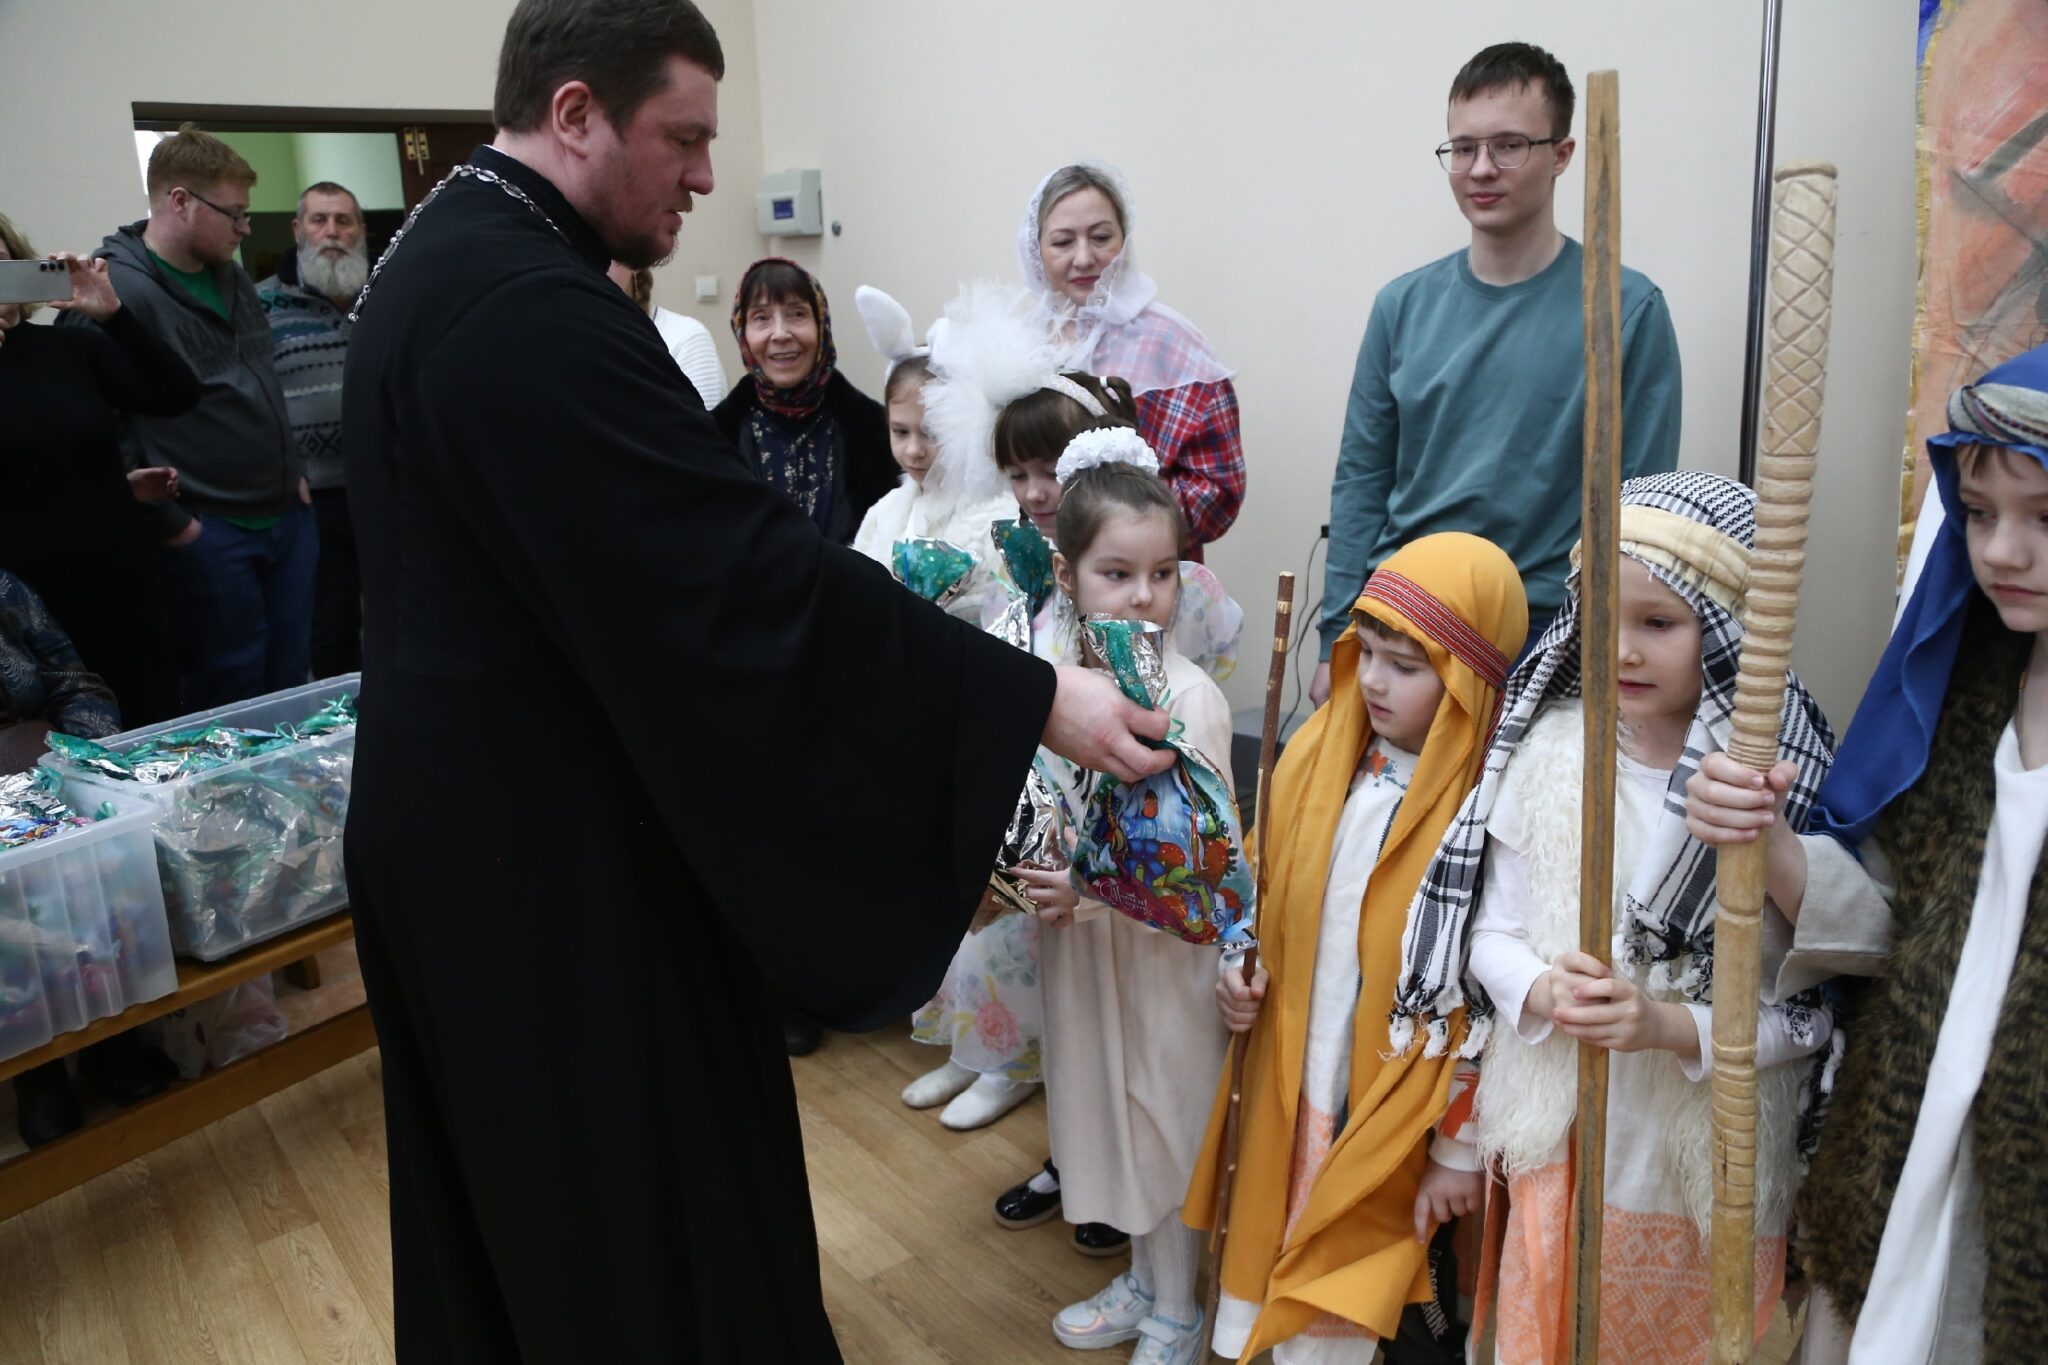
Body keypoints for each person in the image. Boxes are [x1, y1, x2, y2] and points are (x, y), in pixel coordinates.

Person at [338, 2, 1171, 1357]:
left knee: (530, 1207)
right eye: (683, 137)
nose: (706, 175)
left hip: (471, 823)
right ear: (575, 114)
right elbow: (738, 579)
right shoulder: (526, 310)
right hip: (542, 859)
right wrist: (1027, 700)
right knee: (627, 1210)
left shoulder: (444, 256)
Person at [1391, 472, 1834, 1363]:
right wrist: (1544, 988)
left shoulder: (1774, 795)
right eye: (1605, 617)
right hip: (1565, 1138)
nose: (1623, 649)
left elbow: (1810, 1014)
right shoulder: (1552, 759)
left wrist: (1666, 1025)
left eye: (1659, 623)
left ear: (1726, 631)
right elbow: (1490, 936)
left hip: (1699, 1169)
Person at [1685, 345, 2048, 1363]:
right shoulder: (1964, 693)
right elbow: (1888, 919)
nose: (2000, 550)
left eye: (2041, 517)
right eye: (1977, 513)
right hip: (1912, 1147)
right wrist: (1762, 838)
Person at [1182, 532, 1528, 1364]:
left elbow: (1486, 1004)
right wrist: (1237, 969)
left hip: (1388, 1104)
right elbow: (1259, 886)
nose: (1372, 679)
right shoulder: (1315, 756)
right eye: (1365, 651)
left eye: (1404, 665)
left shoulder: (1488, 816)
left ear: (1467, 680)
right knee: (1275, 1238)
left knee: (1356, 1282)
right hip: (1294, 1072)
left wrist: (1457, 1146)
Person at [1310, 42, 1682, 705]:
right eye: (1463, 148)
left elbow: (1640, 510)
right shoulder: (1402, 307)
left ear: (1561, 154)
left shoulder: (1624, 310)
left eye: (1509, 145)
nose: (1481, 168)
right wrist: (1337, 637)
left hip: (1544, 639)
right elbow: (1361, 481)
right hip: (1400, 622)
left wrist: (1611, 650)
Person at [984, 370, 1243, 1259]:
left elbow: (1197, 862)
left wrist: (1087, 888)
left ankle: (1175, 1303)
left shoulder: (1189, 699)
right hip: (1085, 947)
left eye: (1162, 573)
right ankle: (1141, 1279)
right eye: (1118, 574)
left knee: (1161, 1108)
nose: (1143, 595)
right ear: (1068, 573)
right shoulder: (1065, 688)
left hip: (1157, 956)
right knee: (1101, 1106)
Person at [76, 125, 311, 712]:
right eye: (234, 214)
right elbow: (96, 421)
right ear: (179, 201)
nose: (245, 227)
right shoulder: (116, 290)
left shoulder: (231, 275)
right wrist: (170, 522)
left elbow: (262, 378)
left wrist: (295, 470)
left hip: (284, 511)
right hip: (208, 528)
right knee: (228, 694)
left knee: (291, 683)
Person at [0, 570, 178, 1147]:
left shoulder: (4, 589)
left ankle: (111, 1037)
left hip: (44, 767)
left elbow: (73, 679)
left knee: (100, 861)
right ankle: (37, 1068)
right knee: (13, 900)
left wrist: (80, 767)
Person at [0, 221, 194, 729]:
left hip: (119, 585)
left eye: (2, 264)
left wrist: (114, 315)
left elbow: (177, 394)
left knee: (151, 725)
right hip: (27, 611)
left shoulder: (70, 348)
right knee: (57, 750)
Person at [1020, 161, 1246, 558]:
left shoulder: (1171, 341)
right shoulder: (1018, 341)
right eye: (1063, 242)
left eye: (1101, 237)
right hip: (1033, 572)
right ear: (1036, 250)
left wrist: (1117, 518)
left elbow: (1217, 487)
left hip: (1141, 573)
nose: (1084, 258)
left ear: (1124, 240)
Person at [259, 180, 367, 679]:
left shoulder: (387, 293)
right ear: (298, 229)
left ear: (360, 230)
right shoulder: (261, 305)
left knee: (403, 616)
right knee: (329, 624)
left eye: (344, 220)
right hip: (308, 500)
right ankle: (340, 719)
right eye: (319, 220)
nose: (332, 232)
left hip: (384, 488)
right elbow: (250, 397)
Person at [712, 255, 895, 543]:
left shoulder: (878, 432)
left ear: (821, 324)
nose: (780, 334)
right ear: (742, 332)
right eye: (761, 318)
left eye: (797, 314)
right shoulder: (714, 437)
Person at [606, 259, 727, 406]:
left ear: (635, 264)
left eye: (606, 253)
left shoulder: (686, 338)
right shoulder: (582, 337)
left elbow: (703, 416)